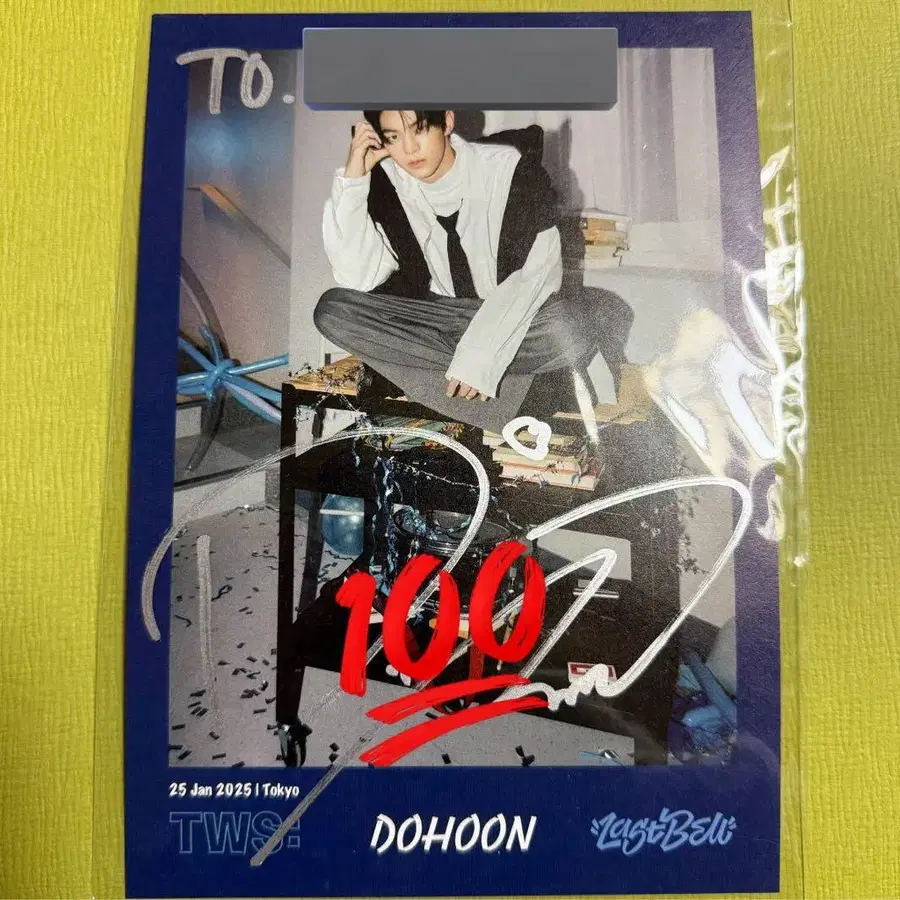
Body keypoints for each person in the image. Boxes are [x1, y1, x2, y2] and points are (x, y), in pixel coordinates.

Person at [314, 109, 601, 430]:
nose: (409, 149)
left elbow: (537, 273)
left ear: (447, 122)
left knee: (569, 328)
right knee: (333, 311)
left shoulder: (511, 170)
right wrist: (354, 181)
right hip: (438, 316)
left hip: (508, 313)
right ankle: (506, 384)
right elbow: (358, 277)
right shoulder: (386, 181)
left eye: (419, 129)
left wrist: (479, 355)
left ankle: (423, 375)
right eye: (393, 137)